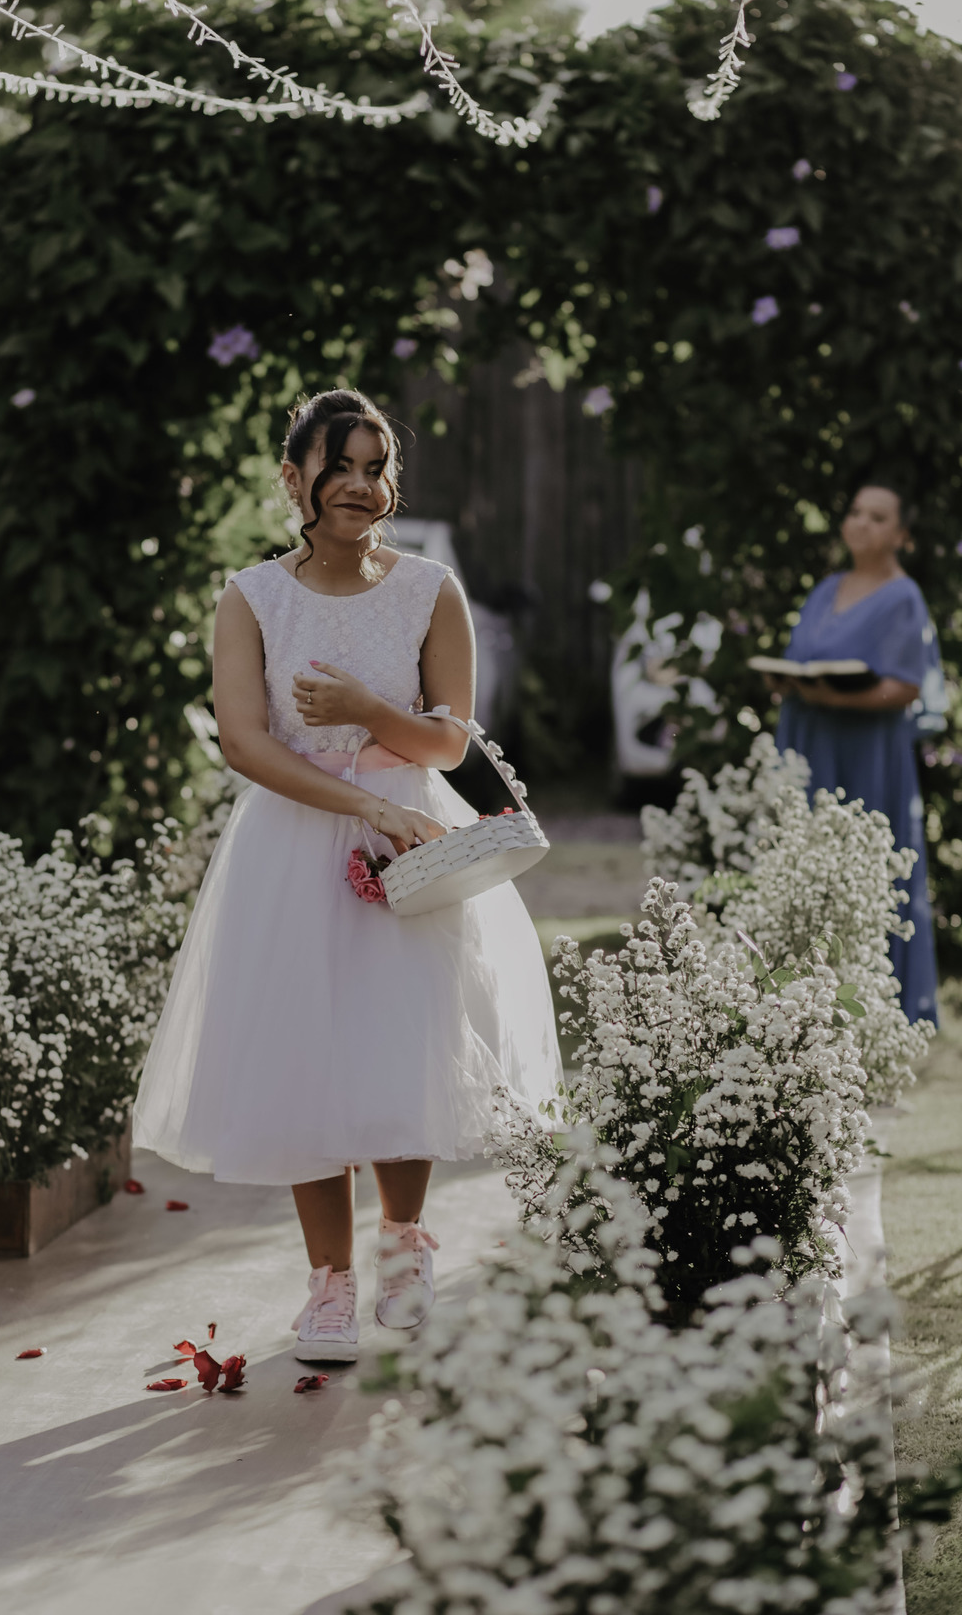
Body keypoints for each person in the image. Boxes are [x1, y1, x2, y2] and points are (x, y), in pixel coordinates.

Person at [134, 389, 560, 1363]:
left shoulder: (431, 590)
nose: (361, 486)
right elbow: (245, 743)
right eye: (341, 467)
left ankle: (404, 1244)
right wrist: (363, 806)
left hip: (415, 838)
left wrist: (369, 710)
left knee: (406, 1034)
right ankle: (328, 1284)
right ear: (295, 478)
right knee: (304, 1050)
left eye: (377, 468)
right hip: (294, 841)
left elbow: (450, 743)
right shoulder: (252, 598)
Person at [773, 481, 943, 1024]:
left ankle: (876, 1008)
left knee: (869, 873)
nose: (862, 523)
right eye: (855, 512)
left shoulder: (904, 596)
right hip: (811, 740)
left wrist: (836, 697)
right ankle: (799, 1003)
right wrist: (790, 683)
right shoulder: (826, 589)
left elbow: (908, 687)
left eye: (878, 516)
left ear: (902, 535)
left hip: (867, 752)